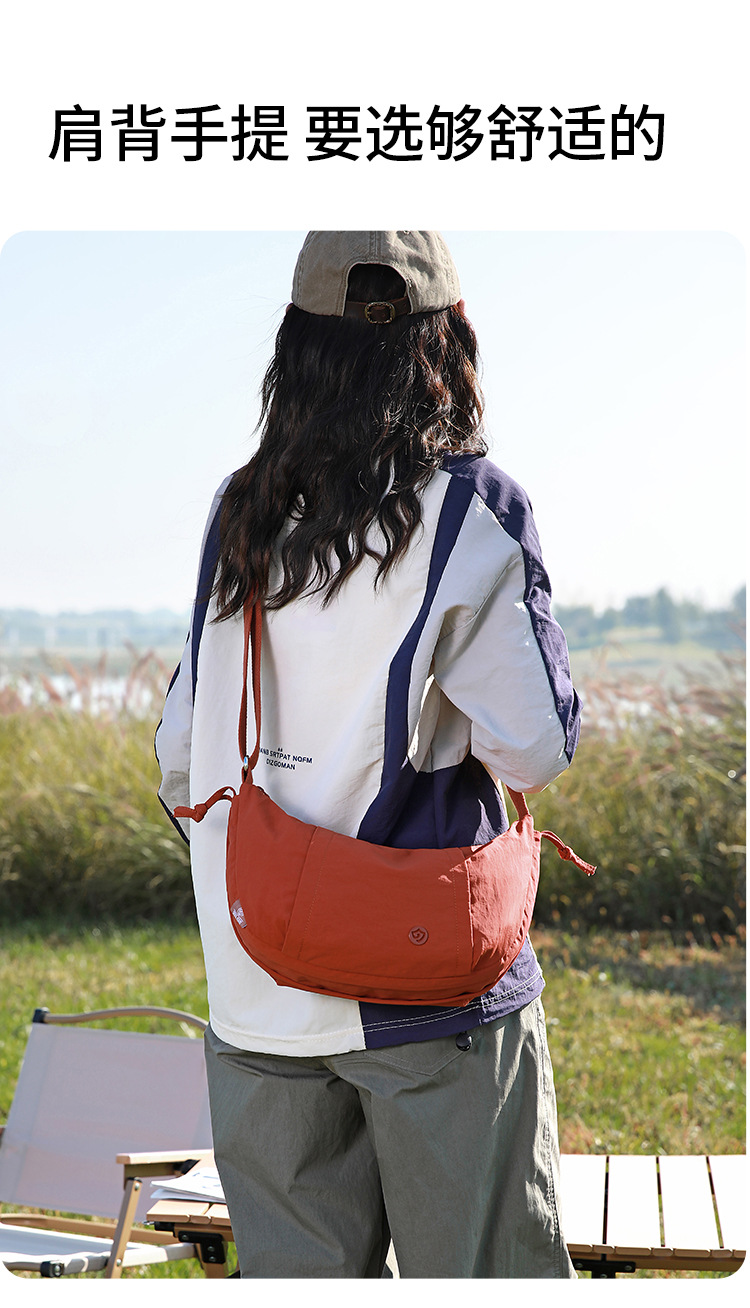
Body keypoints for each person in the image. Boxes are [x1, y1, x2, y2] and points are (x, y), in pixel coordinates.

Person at [155, 230, 582, 1279]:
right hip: (427, 983)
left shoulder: (238, 512)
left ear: (295, 347)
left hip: (258, 984)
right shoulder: (471, 507)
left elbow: (182, 753)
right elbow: (534, 745)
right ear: (451, 337)